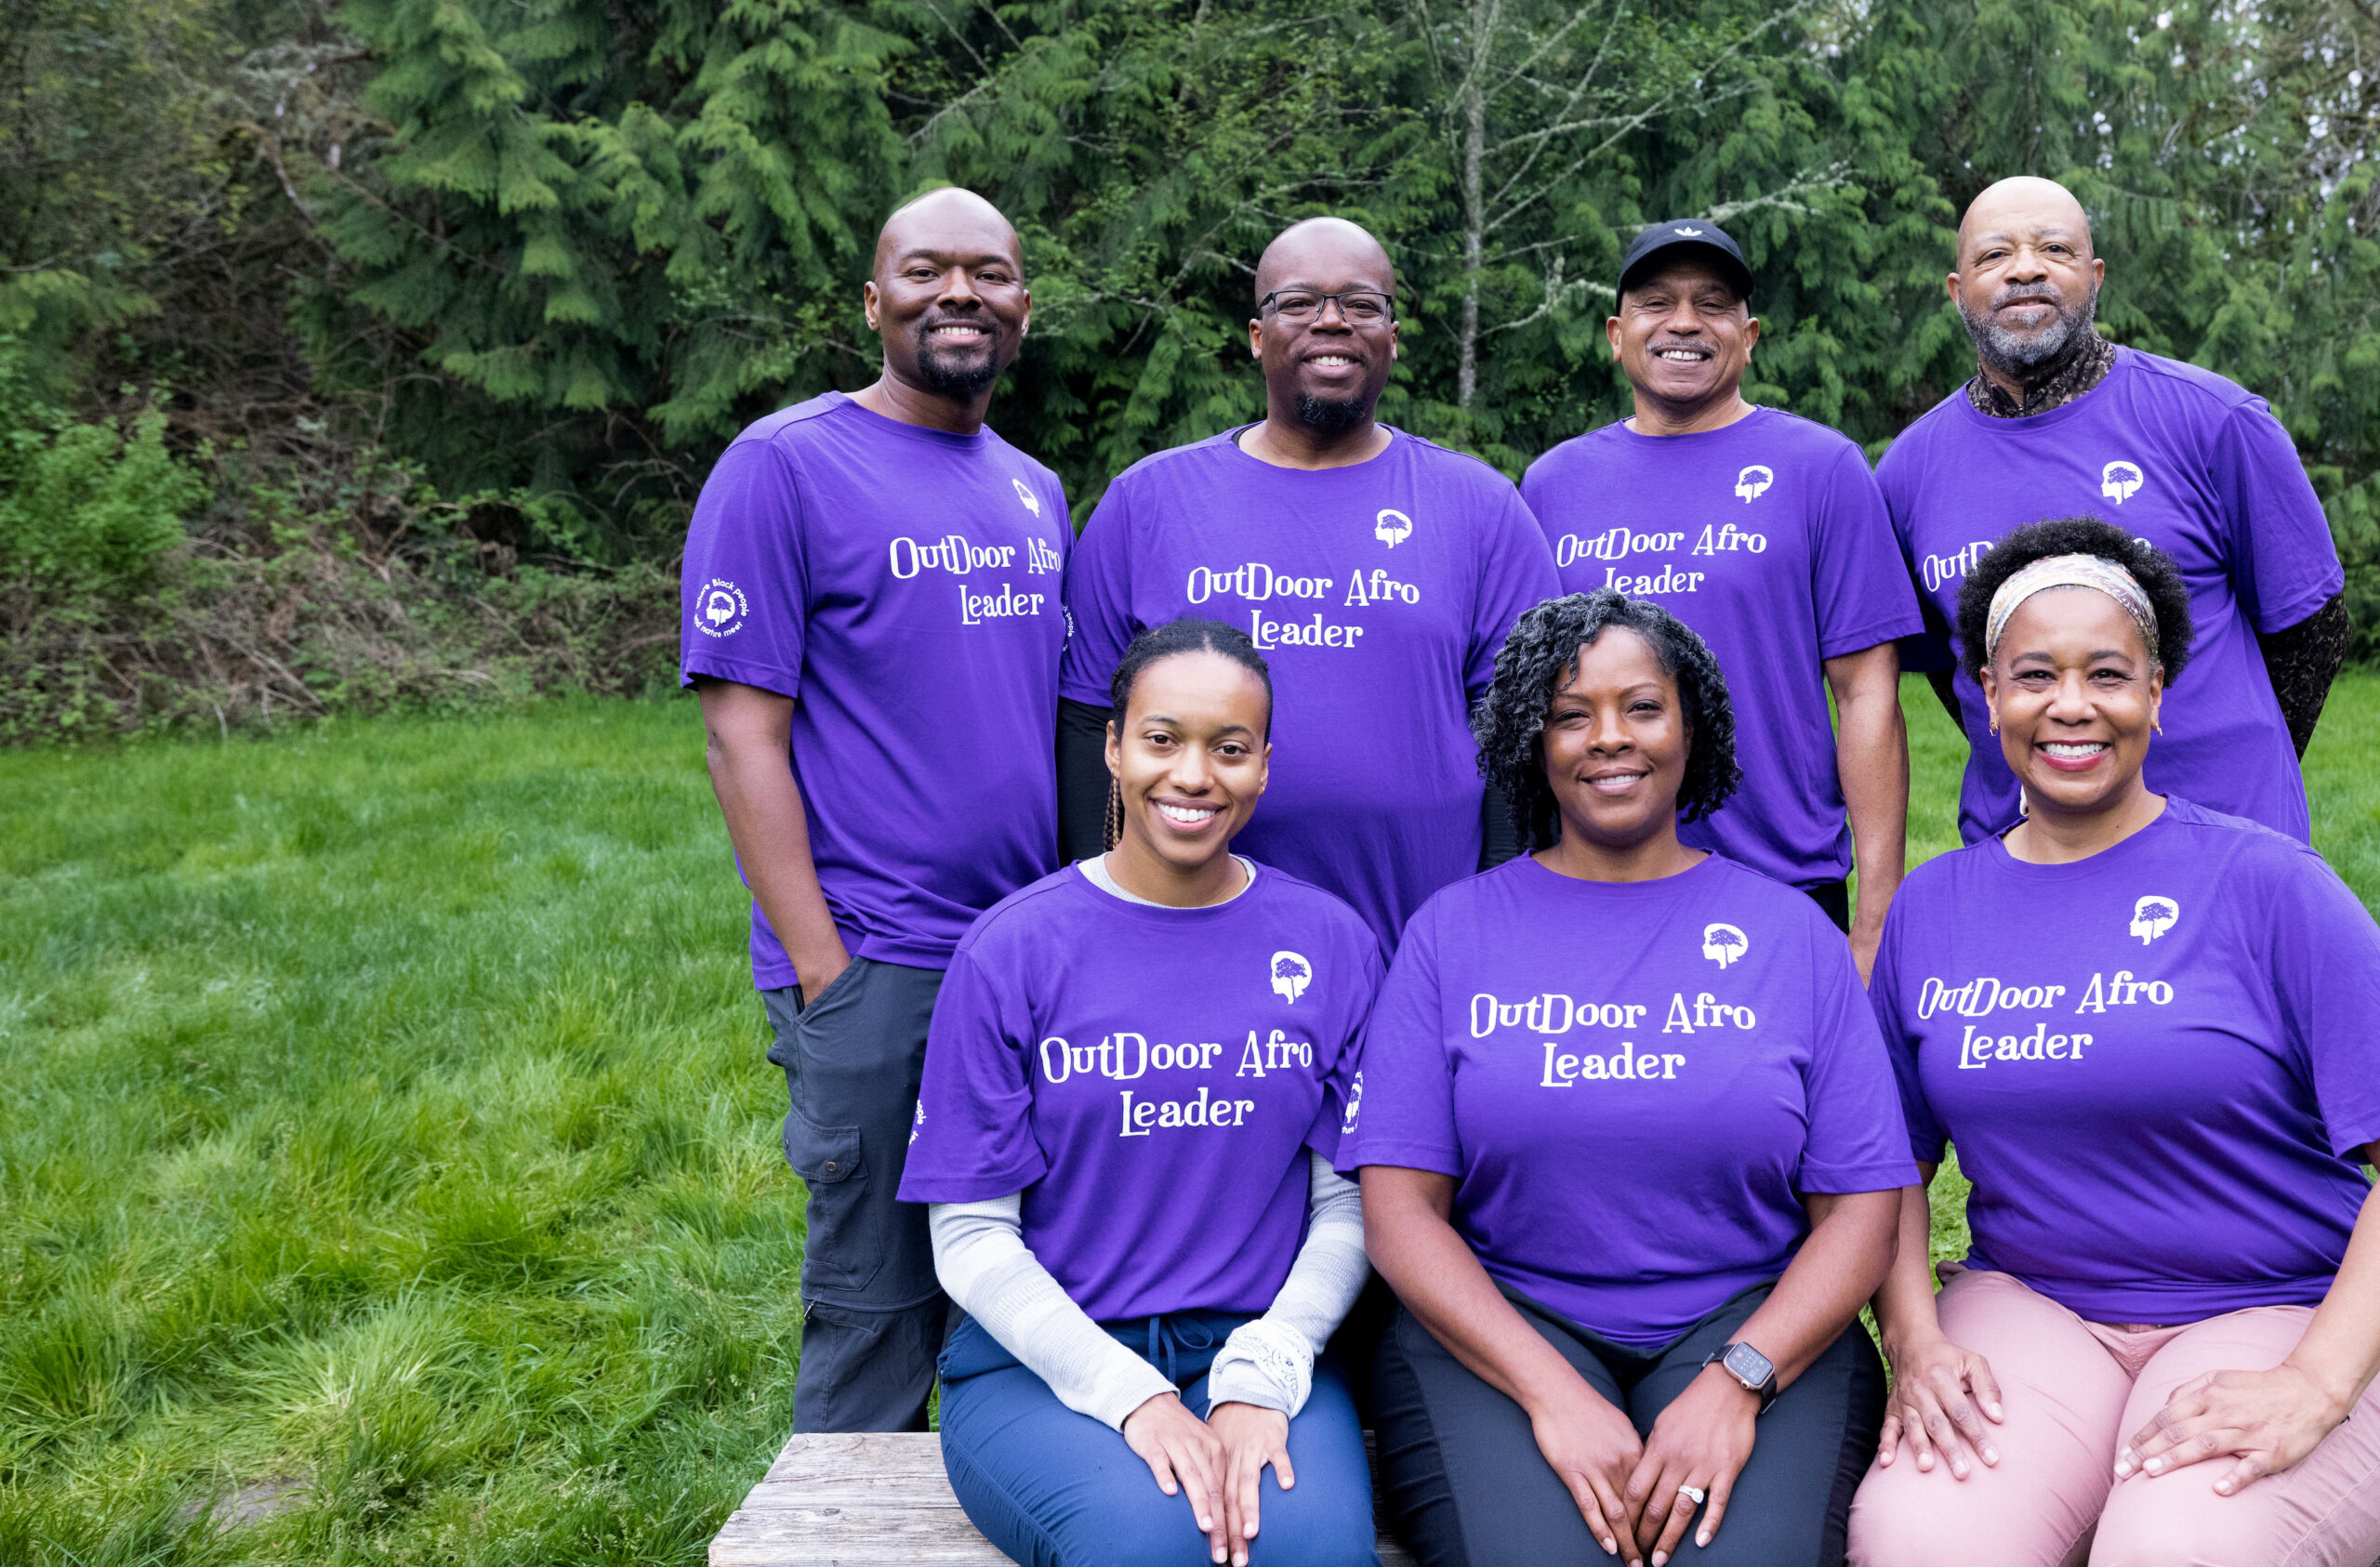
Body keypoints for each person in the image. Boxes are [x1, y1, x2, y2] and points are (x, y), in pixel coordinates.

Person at [1847, 518, 2380, 1567]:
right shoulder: (1935, 906)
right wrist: (1913, 1338)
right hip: (2035, 1307)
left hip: (2276, 1306)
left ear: (2156, 693)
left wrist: (2318, 1383)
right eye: (2034, 674)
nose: (2071, 705)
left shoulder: (2270, 887)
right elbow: (1886, 1166)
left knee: (2181, 1549)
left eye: (2107, 673)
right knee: (1922, 1541)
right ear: (1989, 696)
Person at [1345, 589, 1913, 1567]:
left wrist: (1739, 1381)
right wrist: (1550, 1394)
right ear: (1534, 740)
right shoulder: (1452, 933)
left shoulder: (1790, 937)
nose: (1608, 738)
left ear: (1692, 726)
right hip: (1503, 1325)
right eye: (1571, 714)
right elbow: (1400, 1215)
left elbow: (1862, 1208)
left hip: (1750, 1321)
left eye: (1641, 708)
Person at [679, 187, 1072, 1433]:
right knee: (879, 1308)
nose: (958, 293)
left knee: (1021, 1291)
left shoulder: (1031, 489)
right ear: (873, 301)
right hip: (879, 962)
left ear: (1023, 306)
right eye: (925, 270)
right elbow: (742, 735)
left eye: (988, 273)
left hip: (1022, 960)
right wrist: (824, 977)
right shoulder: (785, 466)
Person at [899, 618, 1383, 1567]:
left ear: (1264, 767)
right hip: (1040, 1365)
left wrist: (1266, 1368)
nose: (1194, 775)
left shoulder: (1330, 941)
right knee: (1147, 1548)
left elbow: (1352, 1202)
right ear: (1113, 747)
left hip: (1254, 1349)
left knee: (1316, 1554)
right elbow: (968, 1235)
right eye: (1162, 739)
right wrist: (1130, 1396)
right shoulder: (1012, 950)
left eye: (1229, 748)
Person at [1057, 216, 1559, 950]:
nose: (1332, 321)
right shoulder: (1148, 502)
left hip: (1418, 944)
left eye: (1361, 304)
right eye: (1298, 302)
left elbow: (1521, 729)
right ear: (1258, 336)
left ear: (1392, 335)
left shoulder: (1482, 509)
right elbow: (1082, 723)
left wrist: (1493, 914)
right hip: (1184, 941)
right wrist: (1101, 906)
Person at [1878, 175, 2347, 847]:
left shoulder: (2216, 422)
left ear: (2094, 277)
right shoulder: (1906, 472)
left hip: (2224, 838)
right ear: (1958, 291)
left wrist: (2242, 772)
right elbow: (1951, 663)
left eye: (2055, 250)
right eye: (1994, 256)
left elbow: (2313, 628)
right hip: (2020, 851)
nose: (2026, 270)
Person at [1523, 219, 1921, 977]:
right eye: (1655, 302)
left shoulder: (1821, 469)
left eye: (1712, 304)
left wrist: (1876, 915)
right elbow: (1525, 704)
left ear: (1749, 335)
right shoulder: (1552, 486)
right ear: (1616, 333)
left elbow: (1868, 694)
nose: (1683, 322)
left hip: (1781, 878)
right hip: (1594, 878)